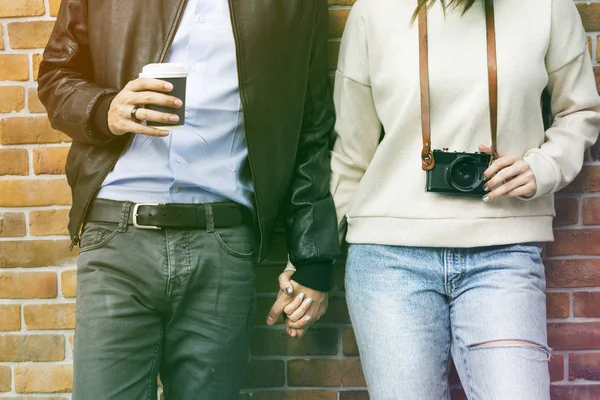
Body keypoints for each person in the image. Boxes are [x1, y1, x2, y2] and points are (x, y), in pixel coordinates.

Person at [37, 0, 340, 399]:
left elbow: (311, 125)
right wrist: (104, 109)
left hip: (222, 241)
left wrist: (314, 258)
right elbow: (57, 75)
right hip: (118, 235)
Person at [327, 0, 600, 398]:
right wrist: (310, 260)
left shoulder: (547, 6)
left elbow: (580, 111)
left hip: (503, 252)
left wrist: (543, 167)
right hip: (389, 258)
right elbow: (351, 153)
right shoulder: (374, 10)